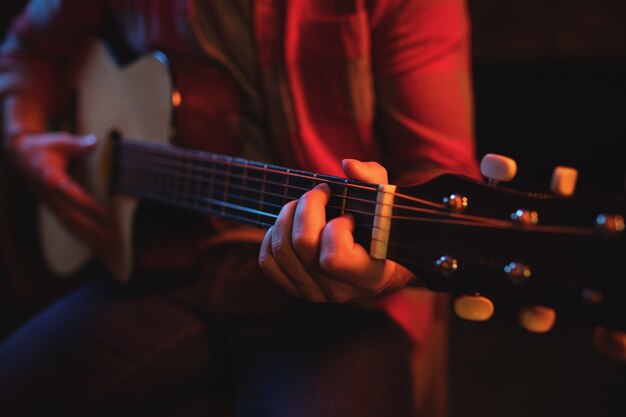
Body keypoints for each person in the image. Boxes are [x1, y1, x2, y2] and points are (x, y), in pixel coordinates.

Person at [0, 1, 623, 416]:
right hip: (166, 267)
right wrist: (24, 136)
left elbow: (435, 169)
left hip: (339, 310)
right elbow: (25, 51)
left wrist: (385, 270)